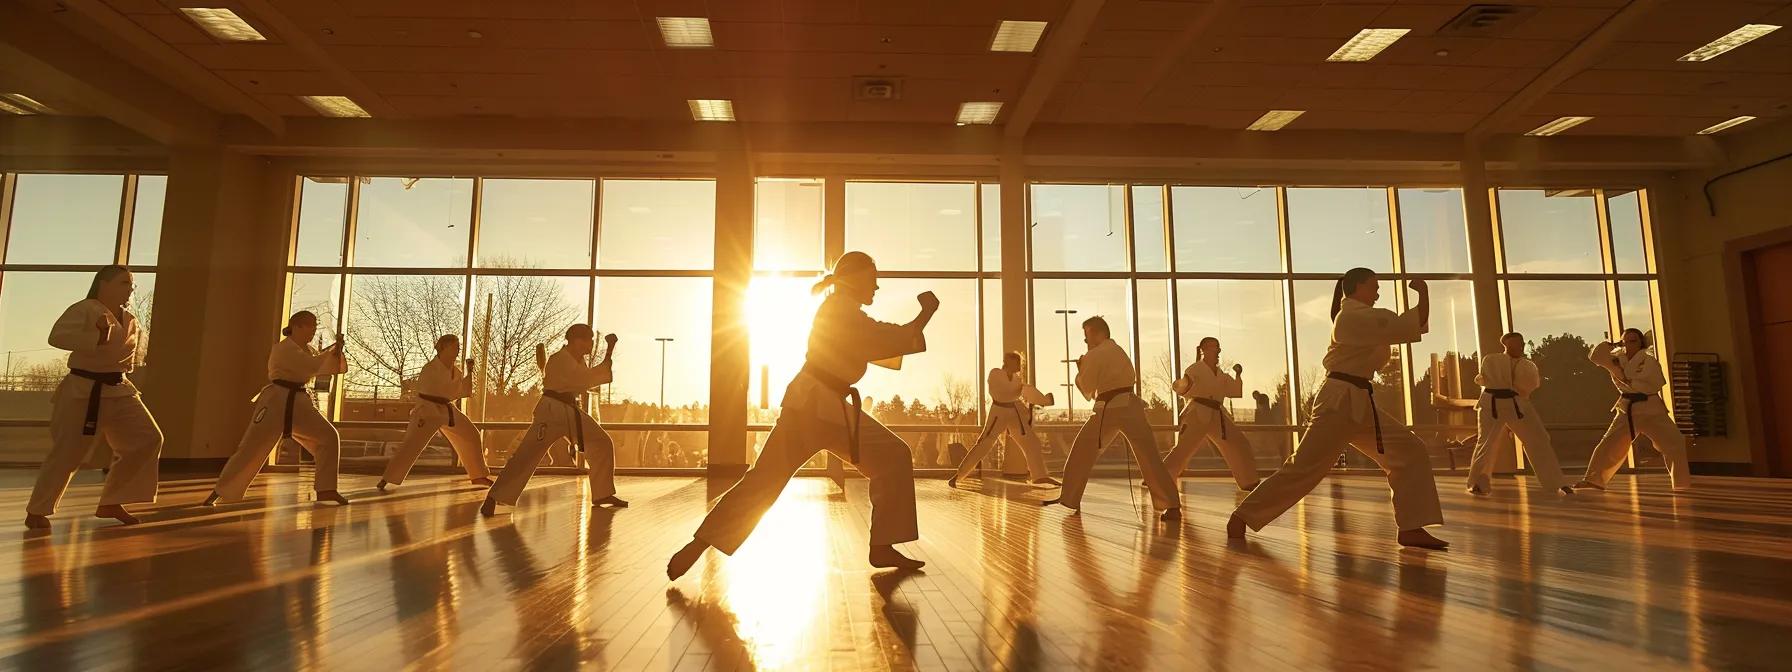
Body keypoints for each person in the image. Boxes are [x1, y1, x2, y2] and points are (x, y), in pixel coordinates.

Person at [667, 252, 935, 579]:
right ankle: (697, 545)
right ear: (856, 279)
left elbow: (881, 340)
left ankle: (882, 545)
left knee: (768, 480)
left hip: (822, 406)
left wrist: (919, 320)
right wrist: (926, 314)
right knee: (769, 480)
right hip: (815, 405)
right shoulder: (840, 311)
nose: (877, 286)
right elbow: (887, 338)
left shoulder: (842, 310)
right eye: (872, 278)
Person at [1228, 268, 1448, 549]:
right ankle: (1243, 516)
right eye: (1374, 286)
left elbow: (1410, 326)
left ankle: (1411, 526)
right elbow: (1410, 324)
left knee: (1410, 450)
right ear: (1356, 287)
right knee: (1304, 468)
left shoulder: (1364, 318)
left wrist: (1423, 297)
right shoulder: (1352, 317)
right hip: (1338, 402)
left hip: (1360, 401)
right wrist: (1423, 293)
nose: (1378, 292)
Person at [24, 266, 163, 528]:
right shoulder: (85, 308)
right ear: (104, 284)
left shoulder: (130, 318)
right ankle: (37, 510)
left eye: (131, 283)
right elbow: (57, 337)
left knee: (148, 438)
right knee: (68, 453)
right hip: (83, 390)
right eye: (124, 282)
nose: (130, 288)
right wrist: (97, 336)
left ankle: (113, 501)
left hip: (119, 388)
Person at [1043, 317, 1183, 522]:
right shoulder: (1118, 351)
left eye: (1087, 335)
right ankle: (1172, 505)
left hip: (1108, 409)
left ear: (1099, 333)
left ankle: (1070, 499)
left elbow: (1088, 389)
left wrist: (1080, 369)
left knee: (1082, 451)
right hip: (1131, 406)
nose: (1085, 341)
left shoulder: (1095, 354)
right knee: (1150, 457)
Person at [206, 310, 349, 505]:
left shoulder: (307, 350)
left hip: (299, 402)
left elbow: (322, 366)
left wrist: (336, 351)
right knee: (252, 446)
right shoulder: (283, 349)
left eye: (315, 325)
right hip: (276, 401)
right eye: (311, 325)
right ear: (297, 326)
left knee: (328, 437)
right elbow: (311, 366)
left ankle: (326, 489)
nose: (314, 330)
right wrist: (331, 352)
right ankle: (221, 490)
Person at [481, 325, 626, 514]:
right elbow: (584, 379)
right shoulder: (559, 360)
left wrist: (605, 365)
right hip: (551, 412)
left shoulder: (577, 361)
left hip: (569, 410)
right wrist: (605, 364)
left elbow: (585, 379)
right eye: (588, 340)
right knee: (527, 455)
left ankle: (602, 493)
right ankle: (495, 497)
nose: (591, 344)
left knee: (601, 442)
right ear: (576, 341)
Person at [1574, 328, 1691, 492]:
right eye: (1625, 342)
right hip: (1628, 409)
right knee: (1608, 444)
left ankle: (1681, 484)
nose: (1628, 345)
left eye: (1633, 341)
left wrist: (1624, 376)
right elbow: (1595, 356)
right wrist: (1611, 344)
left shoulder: (1649, 361)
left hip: (1652, 409)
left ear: (1641, 343)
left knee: (1675, 442)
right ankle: (1593, 480)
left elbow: (1652, 384)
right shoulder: (1616, 360)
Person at [377, 334, 493, 491]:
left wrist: (470, 373)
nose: (458, 350)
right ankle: (387, 478)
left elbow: (460, 391)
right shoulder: (430, 368)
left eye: (458, 347)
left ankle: (478, 474)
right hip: (427, 410)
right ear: (443, 348)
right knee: (412, 444)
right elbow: (437, 390)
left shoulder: (456, 371)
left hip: (447, 409)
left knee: (470, 434)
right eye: (455, 347)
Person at [1466, 332, 1572, 497]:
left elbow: (1528, 386)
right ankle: (1478, 483)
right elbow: (1483, 379)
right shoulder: (1491, 359)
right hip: (1491, 405)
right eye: (1515, 344)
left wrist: (1510, 384)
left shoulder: (1527, 365)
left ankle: (1556, 482)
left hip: (1517, 405)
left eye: (1521, 343)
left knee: (1539, 439)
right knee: (1487, 443)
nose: (1520, 346)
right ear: (1506, 345)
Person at [947, 351, 1058, 487]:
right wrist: (1025, 392)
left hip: (1013, 412)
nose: (1019, 366)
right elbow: (1004, 392)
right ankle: (959, 475)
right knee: (984, 444)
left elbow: (1019, 393)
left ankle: (1039, 476)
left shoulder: (1017, 380)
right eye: (1017, 362)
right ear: (1009, 362)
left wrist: (1039, 398)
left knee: (1031, 442)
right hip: (998, 412)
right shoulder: (995, 374)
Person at [1163, 337, 1260, 491]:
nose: (1217, 350)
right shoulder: (1194, 369)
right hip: (1197, 413)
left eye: (1217, 347)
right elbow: (1185, 386)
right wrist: (1181, 384)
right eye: (1213, 347)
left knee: (1239, 443)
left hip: (1217, 414)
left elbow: (1234, 391)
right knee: (1184, 449)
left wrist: (1238, 375)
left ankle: (1249, 481)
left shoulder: (1221, 375)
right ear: (1203, 350)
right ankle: (1160, 479)